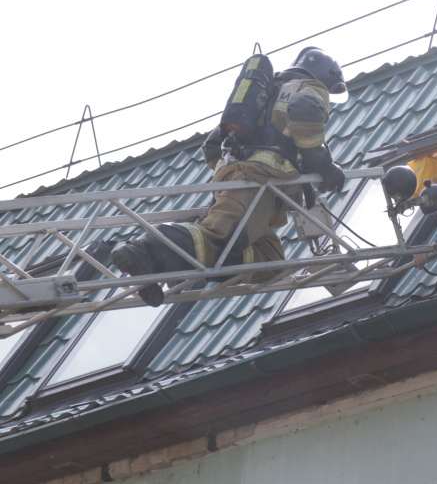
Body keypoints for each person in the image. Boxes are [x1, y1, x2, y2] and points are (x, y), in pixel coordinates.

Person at [111, 47, 347, 307]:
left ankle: (159, 267)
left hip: (245, 179)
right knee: (223, 238)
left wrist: (231, 171)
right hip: (259, 180)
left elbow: (212, 146)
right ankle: (142, 249)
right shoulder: (311, 87)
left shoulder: (261, 96)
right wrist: (323, 166)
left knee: (272, 262)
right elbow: (305, 113)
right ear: (327, 74)